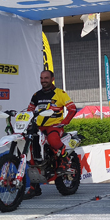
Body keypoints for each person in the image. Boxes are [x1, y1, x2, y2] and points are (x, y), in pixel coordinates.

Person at [25, 69, 77, 199]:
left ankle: (64, 160)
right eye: (41, 78)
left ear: (52, 79)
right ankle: (34, 187)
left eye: (46, 78)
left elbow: (72, 109)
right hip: (39, 127)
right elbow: (29, 111)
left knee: (53, 140)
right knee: (31, 152)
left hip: (54, 126)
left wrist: (64, 123)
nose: (43, 80)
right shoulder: (36, 95)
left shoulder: (60, 93)